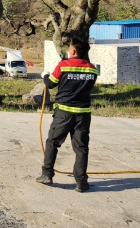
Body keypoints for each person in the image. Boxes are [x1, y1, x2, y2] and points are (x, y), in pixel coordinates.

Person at [36, 37, 98, 192]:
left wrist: (45, 75)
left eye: (69, 48)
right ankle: (82, 182)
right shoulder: (92, 69)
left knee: (53, 143)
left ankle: (47, 175)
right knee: (81, 148)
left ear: (74, 51)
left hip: (64, 113)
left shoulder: (63, 65)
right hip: (83, 115)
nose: (68, 50)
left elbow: (50, 84)